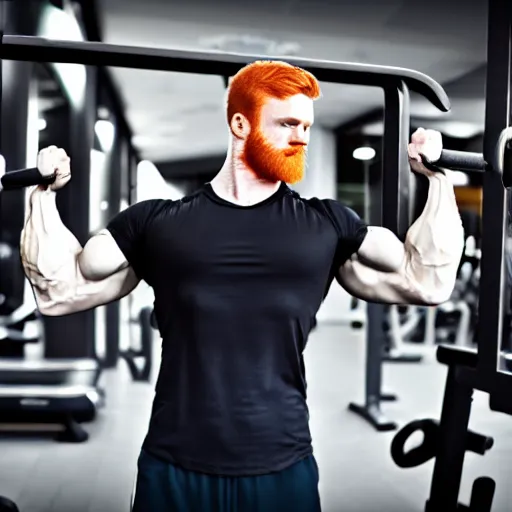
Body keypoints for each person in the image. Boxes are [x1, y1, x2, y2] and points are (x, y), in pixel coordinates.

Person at [19, 60, 464, 512]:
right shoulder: (156, 224)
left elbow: (427, 281)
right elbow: (58, 290)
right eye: (288, 123)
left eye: (307, 126)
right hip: (174, 465)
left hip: (281, 464)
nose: (302, 137)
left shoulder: (328, 225)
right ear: (239, 123)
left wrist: (439, 181)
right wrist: (43, 196)